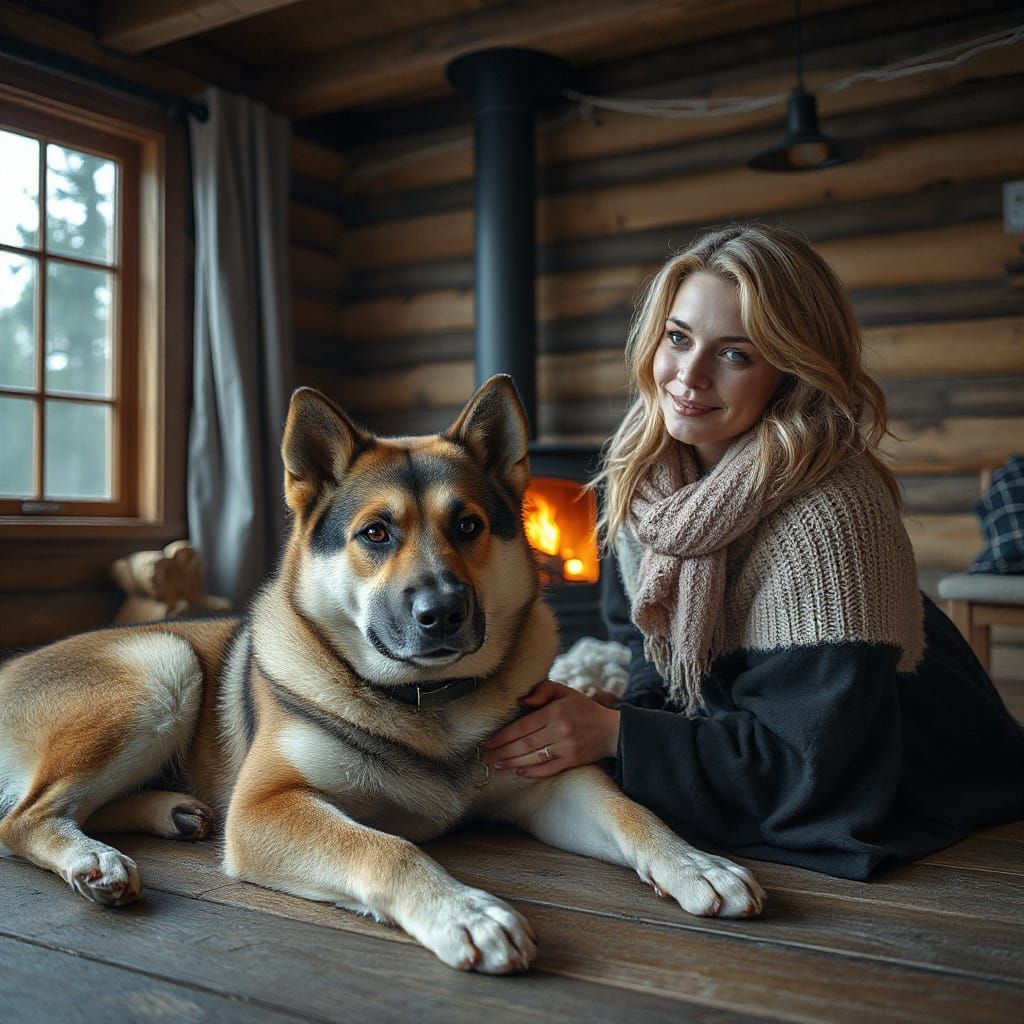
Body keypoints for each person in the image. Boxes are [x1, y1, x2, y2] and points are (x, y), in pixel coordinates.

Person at [482, 224, 1024, 880]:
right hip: (762, 730)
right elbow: (648, 656)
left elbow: (810, 764)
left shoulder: (831, 522)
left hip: (897, 750)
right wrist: (616, 718)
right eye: (678, 338)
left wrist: (614, 737)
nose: (689, 376)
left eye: (735, 354)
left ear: (789, 370)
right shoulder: (648, 476)